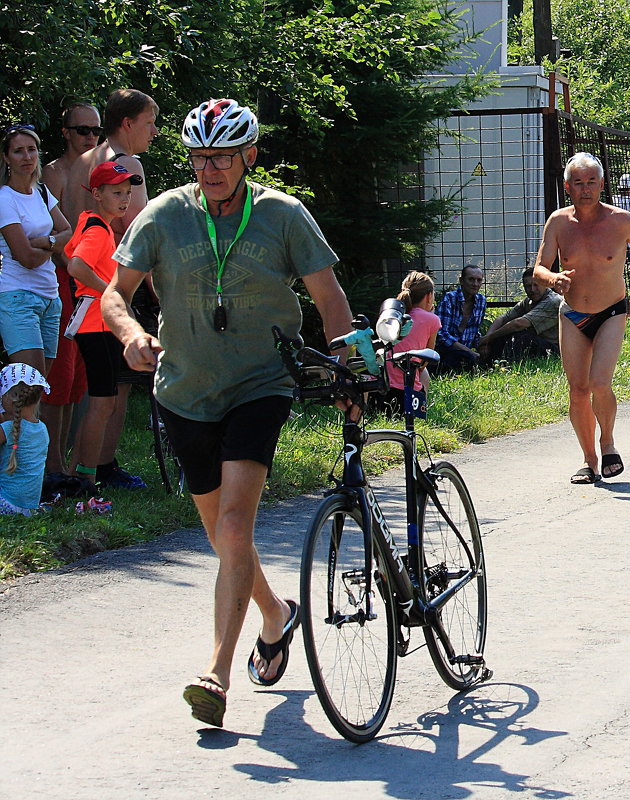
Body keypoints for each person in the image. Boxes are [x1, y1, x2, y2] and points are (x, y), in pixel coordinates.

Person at [101, 99, 354, 729]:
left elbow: (330, 298)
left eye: (222, 157)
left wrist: (357, 367)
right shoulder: (162, 215)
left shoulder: (282, 216)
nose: (209, 168)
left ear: (250, 156)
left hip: (260, 383)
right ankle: (275, 614)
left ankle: (215, 671)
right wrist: (131, 333)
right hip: (184, 390)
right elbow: (114, 293)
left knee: (235, 527)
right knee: (223, 538)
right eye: (199, 156)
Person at [533, 152, 630, 485]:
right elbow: (539, 267)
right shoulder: (558, 222)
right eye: (578, 183)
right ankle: (589, 461)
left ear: (601, 184)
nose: (585, 189)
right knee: (578, 390)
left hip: (611, 311)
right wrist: (553, 279)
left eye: (591, 182)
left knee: (600, 383)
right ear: (567, 187)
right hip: (572, 314)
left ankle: (608, 442)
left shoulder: (621, 220)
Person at [64, 161, 149, 492]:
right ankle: (86, 477)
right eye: (116, 193)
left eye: (128, 193)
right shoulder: (99, 231)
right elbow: (76, 266)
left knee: (104, 402)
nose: (124, 200)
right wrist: (112, 293)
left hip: (98, 325)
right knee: (102, 404)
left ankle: (76, 472)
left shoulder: (98, 225)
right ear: (97, 194)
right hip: (95, 325)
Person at [42, 103, 101, 489]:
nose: (89, 137)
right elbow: (54, 240)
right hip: (64, 281)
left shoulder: (101, 172)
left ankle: (72, 464)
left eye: (95, 131)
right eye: (82, 130)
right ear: (65, 132)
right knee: (60, 373)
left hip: (92, 283)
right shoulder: (53, 173)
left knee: (82, 375)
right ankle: (51, 466)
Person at [0, 124, 73, 377]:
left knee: (40, 385)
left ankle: (23, 419)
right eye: (18, 151)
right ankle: (10, 419)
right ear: (6, 157)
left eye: (32, 149)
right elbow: (26, 259)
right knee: (26, 385)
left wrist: (45, 242)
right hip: (19, 297)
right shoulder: (4, 198)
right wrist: (54, 244)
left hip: (51, 298)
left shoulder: (41, 191)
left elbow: (68, 231)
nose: (27, 156)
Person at [65, 89, 158, 236]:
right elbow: (140, 235)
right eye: (149, 123)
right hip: (110, 258)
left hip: (80, 256)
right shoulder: (126, 165)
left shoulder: (81, 161)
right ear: (128, 124)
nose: (155, 131)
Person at [477, 266, 563, 362]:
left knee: (520, 336)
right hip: (538, 344)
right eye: (528, 286)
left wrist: (488, 338)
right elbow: (502, 319)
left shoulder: (552, 301)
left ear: (545, 284)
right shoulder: (528, 301)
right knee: (504, 333)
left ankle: (508, 365)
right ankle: (487, 363)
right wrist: (487, 341)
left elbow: (519, 324)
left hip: (554, 350)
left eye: (536, 285)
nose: (533, 289)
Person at [0, 363, 51, 516]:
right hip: (29, 507)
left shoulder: (9, 429)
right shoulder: (42, 429)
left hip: (6, 504)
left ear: (9, 400)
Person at [384, 271, 441, 396]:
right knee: (424, 372)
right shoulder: (432, 320)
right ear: (429, 296)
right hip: (406, 386)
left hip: (384, 381)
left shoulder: (393, 315)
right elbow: (425, 360)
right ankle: (422, 405)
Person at [435, 264, 487, 371]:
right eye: (471, 279)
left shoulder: (481, 301)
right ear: (461, 281)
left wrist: (484, 344)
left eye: (479, 280)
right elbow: (441, 334)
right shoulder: (449, 299)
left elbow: (475, 332)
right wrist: (468, 352)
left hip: (466, 352)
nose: (475, 284)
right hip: (446, 351)